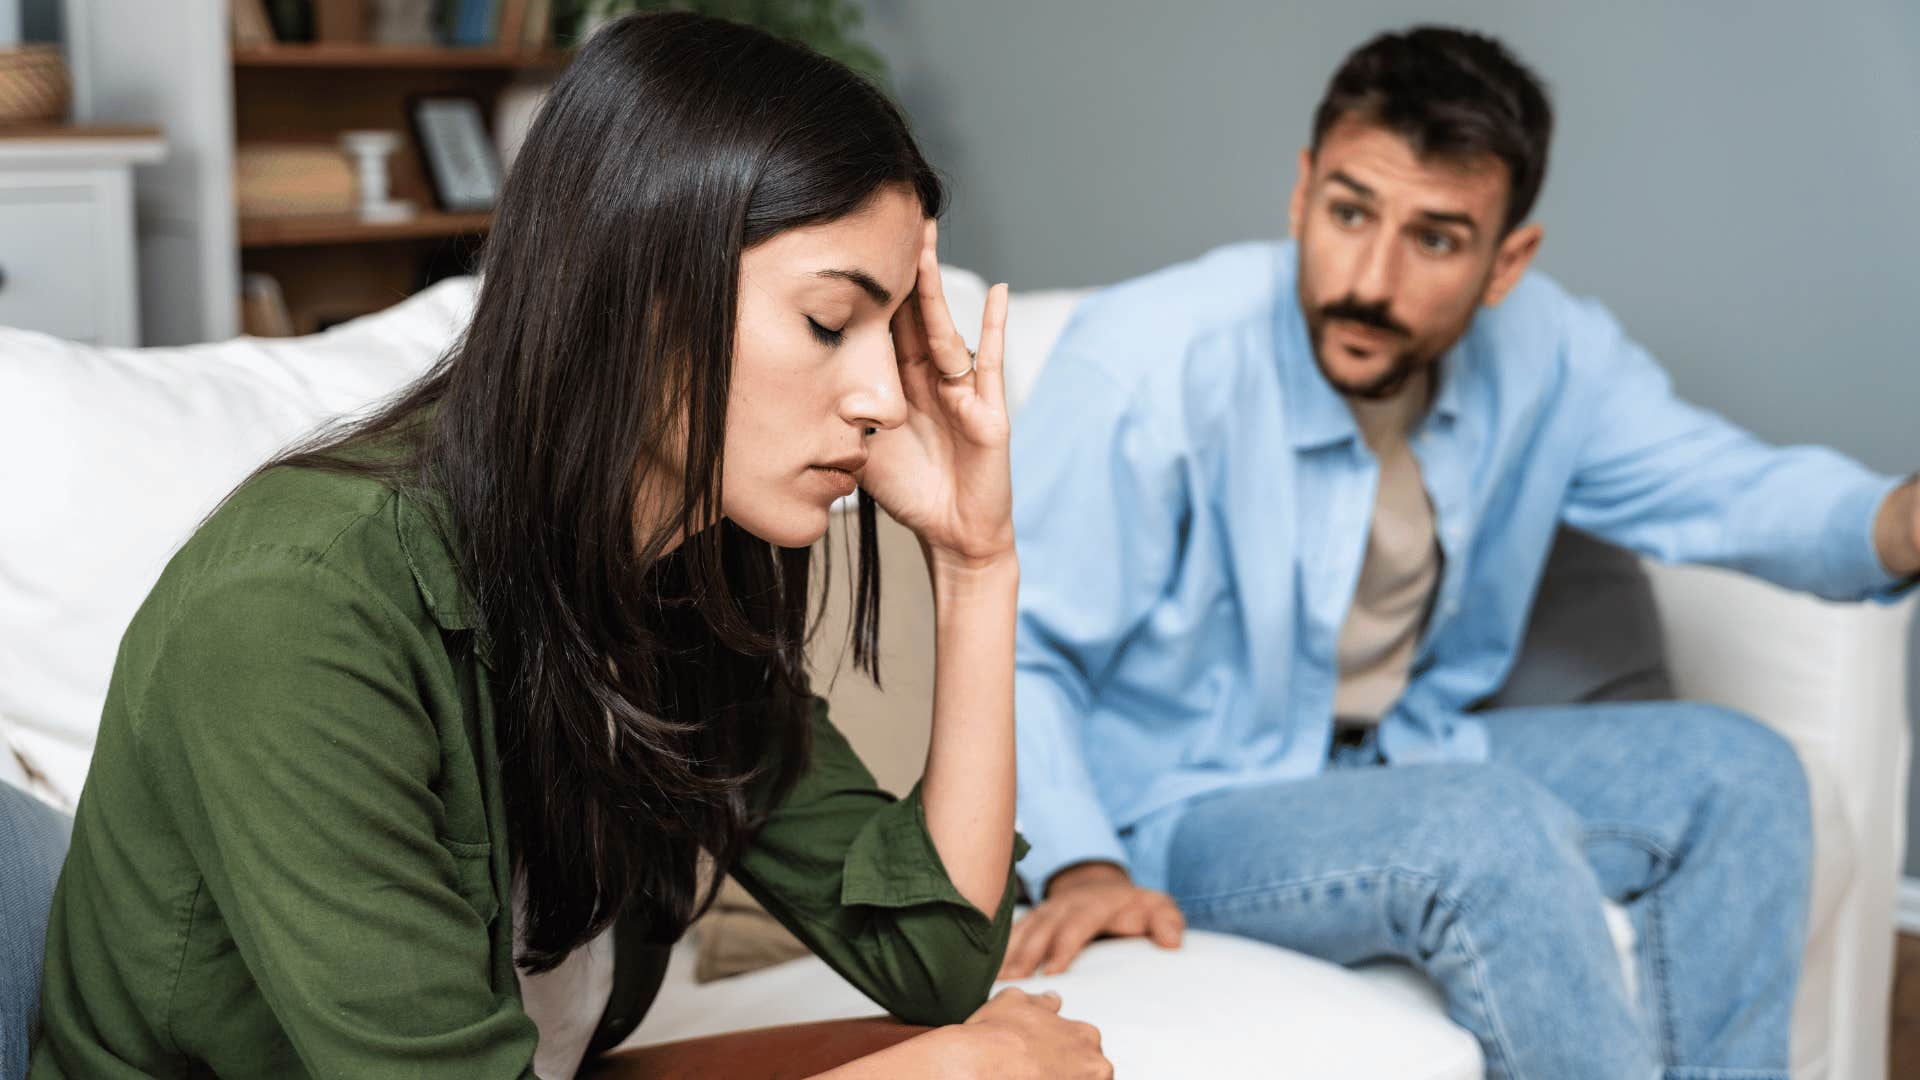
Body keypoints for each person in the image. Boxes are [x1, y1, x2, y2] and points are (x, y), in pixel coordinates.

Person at [30, 14, 1109, 1080]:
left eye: (892, 335)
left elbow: (934, 957)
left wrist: (977, 564)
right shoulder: (295, 612)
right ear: (636, 290)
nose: (880, 396)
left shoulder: (680, 577)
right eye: (831, 322)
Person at [1001, 25, 1918, 1080]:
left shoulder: (1552, 356)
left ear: (1505, 262)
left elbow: (1727, 489)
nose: (1372, 281)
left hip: (1402, 752)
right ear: (1302, 193)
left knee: (1741, 773)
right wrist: (1080, 864)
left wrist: (1899, 518)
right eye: (1349, 213)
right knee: (1482, 827)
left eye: (1436, 239)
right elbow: (1019, 646)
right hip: (1186, 804)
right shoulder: (1149, 363)